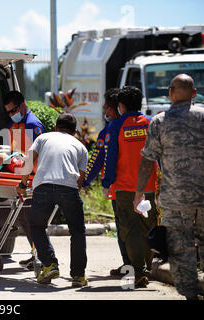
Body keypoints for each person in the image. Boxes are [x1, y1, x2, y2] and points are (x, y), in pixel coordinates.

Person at [134, 74, 204, 300]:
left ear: (170, 92)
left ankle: (191, 295)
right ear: (194, 93)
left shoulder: (160, 122)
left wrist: (139, 192)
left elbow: (147, 160)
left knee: (180, 246)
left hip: (175, 199)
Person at [16, 113, 89, 287]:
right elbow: (81, 178)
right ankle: (78, 276)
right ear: (75, 132)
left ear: (56, 128)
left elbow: (28, 161)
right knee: (77, 231)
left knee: (37, 226)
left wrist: (23, 184)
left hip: (43, 186)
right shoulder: (81, 147)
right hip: (69, 188)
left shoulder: (43, 138)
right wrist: (72, 192)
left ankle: (49, 265)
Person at [102, 86, 158, 288]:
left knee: (131, 231)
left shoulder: (116, 126)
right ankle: (147, 268)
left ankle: (139, 272)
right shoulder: (150, 124)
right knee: (147, 228)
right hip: (149, 186)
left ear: (121, 105)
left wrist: (107, 182)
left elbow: (111, 158)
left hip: (125, 189)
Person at [82, 88, 131, 275]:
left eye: (107, 109)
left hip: (119, 186)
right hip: (147, 186)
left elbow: (97, 160)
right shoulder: (145, 123)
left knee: (123, 227)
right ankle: (143, 264)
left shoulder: (110, 130)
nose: (106, 113)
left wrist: (84, 182)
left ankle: (129, 265)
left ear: (117, 108)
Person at [4, 90, 46, 271]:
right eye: (8, 112)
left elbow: (37, 158)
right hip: (22, 177)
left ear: (22, 105)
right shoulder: (16, 126)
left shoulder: (33, 125)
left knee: (31, 219)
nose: (11, 115)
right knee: (24, 219)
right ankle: (37, 254)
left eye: (13, 110)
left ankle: (43, 257)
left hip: (33, 179)